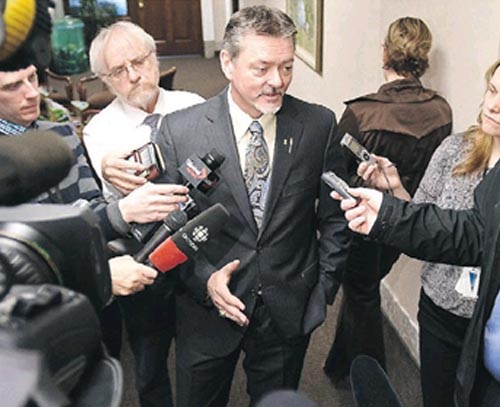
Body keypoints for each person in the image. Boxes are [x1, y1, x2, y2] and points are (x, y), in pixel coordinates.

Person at [155, 6, 350, 406]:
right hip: (205, 313)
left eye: (287, 67)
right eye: (262, 68)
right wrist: (205, 279)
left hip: (287, 311)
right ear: (227, 62)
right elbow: (166, 229)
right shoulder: (179, 131)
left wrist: (323, 290)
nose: (277, 81)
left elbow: (335, 219)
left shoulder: (318, 126)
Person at [0, 54, 187, 377]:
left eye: (32, 78)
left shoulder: (60, 134)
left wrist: (120, 214)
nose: (32, 93)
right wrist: (100, 273)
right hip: (30, 335)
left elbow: (89, 210)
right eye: (13, 86)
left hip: (97, 308)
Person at [331, 59, 500, 407]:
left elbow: (473, 236)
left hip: (487, 327)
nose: (493, 105)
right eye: (492, 91)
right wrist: (394, 189)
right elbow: (423, 217)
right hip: (439, 312)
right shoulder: (454, 149)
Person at [323, 16, 452, 384]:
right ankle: (338, 364)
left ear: (385, 54)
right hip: (407, 221)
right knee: (363, 289)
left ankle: (372, 383)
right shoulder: (442, 110)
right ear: (423, 56)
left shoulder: (361, 113)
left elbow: (333, 172)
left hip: (363, 223)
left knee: (362, 294)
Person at [82, 21, 204, 407]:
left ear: (155, 57)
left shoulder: (194, 105)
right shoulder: (99, 131)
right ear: (105, 79)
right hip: (143, 254)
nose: (134, 76)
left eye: (139, 61)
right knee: (149, 361)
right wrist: (106, 167)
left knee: (202, 356)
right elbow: (107, 202)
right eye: (119, 71)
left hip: (201, 247)